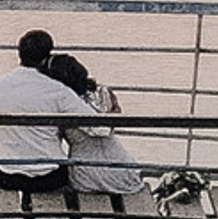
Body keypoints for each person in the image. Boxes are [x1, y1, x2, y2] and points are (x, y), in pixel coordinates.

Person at [0, 28, 91, 192]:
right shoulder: (58, 90)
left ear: (19, 54)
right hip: (51, 177)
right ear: (46, 58)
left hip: (9, 175)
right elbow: (98, 126)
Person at [46, 51, 148, 196]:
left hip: (85, 174)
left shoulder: (60, 104)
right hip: (121, 168)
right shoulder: (103, 92)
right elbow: (113, 119)